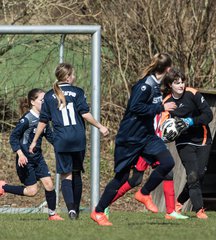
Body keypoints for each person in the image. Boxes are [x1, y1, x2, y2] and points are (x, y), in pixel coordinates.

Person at [90, 52, 177, 226]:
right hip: (130, 138)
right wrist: (161, 107)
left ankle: (144, 193)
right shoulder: (144, 85)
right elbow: (135, 107)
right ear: (167, 69)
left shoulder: (155, 86)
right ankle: (98, 212)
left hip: (147, 136)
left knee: (167, 163)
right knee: (121, 178)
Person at [28, 63, 109, 220]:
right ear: (67, 77)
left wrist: (34, 141)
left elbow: (43, 121)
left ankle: (71, 210)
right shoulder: (78, 92)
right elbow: (85, 114)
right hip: (77, 138)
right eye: (73, 74)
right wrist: (100, 126)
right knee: (77, 173)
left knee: (66, 175)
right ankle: (76, 211)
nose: (74, 77)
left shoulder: (50, 95)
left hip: (61, 140)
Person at [0, 88, 63, 220]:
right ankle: (3, 187)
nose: (45, 103)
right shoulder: (27, 119)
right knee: (32, 191)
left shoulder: (44, 119)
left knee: (49, 185)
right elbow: (13, 138)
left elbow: (51, 137)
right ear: (33, 102)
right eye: (42, 100)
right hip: (25, 159)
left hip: (38, 158)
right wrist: (20, 154)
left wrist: (62, 147)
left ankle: (52, 215)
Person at [161, 68, 213, 219]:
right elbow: (163, 127)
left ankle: (178, 202)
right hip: (184, 141)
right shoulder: (167, 102)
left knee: (199, 175)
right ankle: (199, 210)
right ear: (170, 84)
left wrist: (191, 121)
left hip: (202, 139)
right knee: (192, 175)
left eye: (182, 82)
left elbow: (208, 115)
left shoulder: (192, 93)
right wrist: (167, 131)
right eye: (177, 83)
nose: (181, 85)